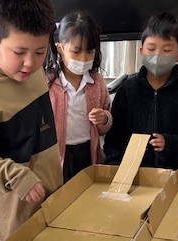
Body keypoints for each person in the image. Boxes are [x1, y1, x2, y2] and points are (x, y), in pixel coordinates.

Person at [0, 0, 62, 241]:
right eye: (19, 52)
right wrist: (13, 175)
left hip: (47, 209)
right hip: (11, 227)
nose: (29, 63)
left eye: (40, 52)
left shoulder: (32, 72)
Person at [103, 11, 178, 169]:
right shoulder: (127, 90)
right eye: (151, 48)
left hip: (175, 174)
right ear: (141, 52)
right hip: (132, 173)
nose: (157, 55)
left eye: (166, 50)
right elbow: (114, 136)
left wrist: (170, 144)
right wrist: (114, 165)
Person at [45, 11, 113, 182]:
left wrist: (104, 118)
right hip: (60, 155)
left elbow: (106, 120)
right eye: (76, 51)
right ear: (60, 49)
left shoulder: (96, 82)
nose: (83, 58)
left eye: (90, 52)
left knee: (89, 191)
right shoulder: (48, 83)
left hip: (88, 152)